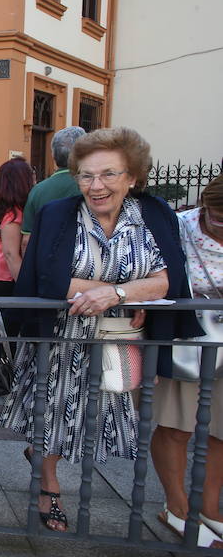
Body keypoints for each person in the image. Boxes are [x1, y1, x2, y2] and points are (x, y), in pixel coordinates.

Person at [0, 127, 202, 533]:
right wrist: (125, 291)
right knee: (50, 414)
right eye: (87, 175)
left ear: (132, 176)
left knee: (97, 414)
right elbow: (46, 281)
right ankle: (48, 485)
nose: (97, 185)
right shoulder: (60, 214)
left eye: (109, 174)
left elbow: (167, 281)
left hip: (119, 338)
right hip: (61, 337)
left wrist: (118, 294)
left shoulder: (154, 214)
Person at [150, 174, 223, 548]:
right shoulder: (181, 226)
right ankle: (176, 506)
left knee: (220, 429)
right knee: (176, 425)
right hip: (188, 339)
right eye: (215, 216)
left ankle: (210, 507)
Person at [20, 126, 87, 254]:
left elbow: (26, 241)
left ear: (53, 155)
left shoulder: (37, 190)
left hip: (47, 261)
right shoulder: (95, 187)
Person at [0, 158, 33, 296]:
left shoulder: (5, 211)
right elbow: (11, 255)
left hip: (0, 277)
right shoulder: (13, 215)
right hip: (7, 279)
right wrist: (27, 288)